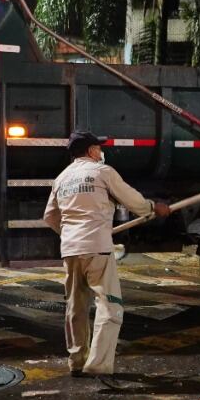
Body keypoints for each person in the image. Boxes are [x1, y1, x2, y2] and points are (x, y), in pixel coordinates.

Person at [43, 131, 170, 376]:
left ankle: (77, 361)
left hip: (70, 250)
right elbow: (133, 201)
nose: (101, 152)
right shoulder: (102, 172)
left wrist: (69, 232)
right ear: (91, 151)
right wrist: (154, 207)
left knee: (76, 306)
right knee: (110, 307)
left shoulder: (61, 178)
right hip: (97, 248)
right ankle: (98, 365)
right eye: (99, 149)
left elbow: (49, 216)